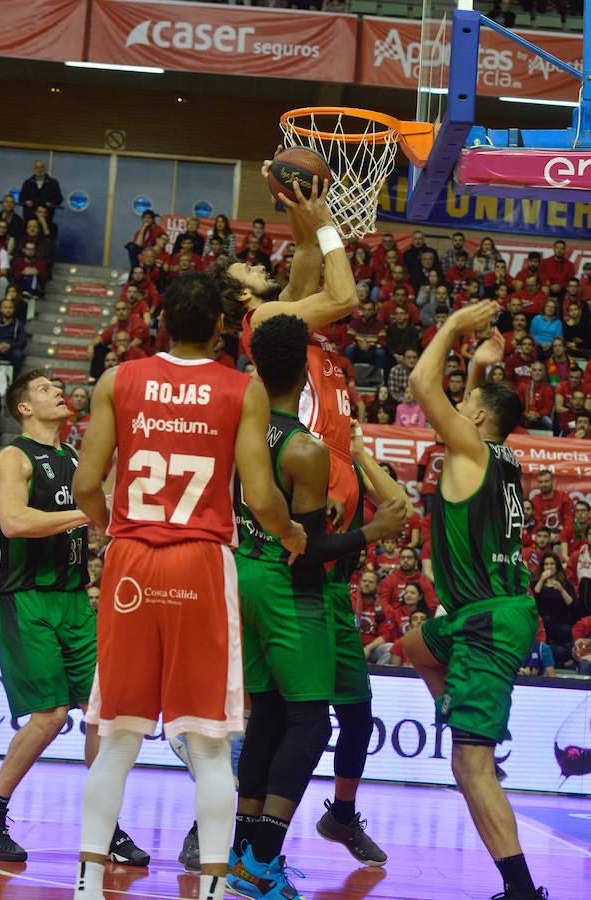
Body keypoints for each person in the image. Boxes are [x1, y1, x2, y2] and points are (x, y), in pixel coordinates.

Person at [71, 272, 306, 900]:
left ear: (163, 321)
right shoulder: (243, 388)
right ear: (224, 328)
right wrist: (290, 534)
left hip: (131, 560)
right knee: (207, 744)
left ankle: (88, 886)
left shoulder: (117, 379)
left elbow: (86, 486)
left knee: (118, 736)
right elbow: (259, 495)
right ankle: (209, 891)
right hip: (200, 561)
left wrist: (114, 530)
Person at [214, 168, 389, 864]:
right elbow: (342, 290)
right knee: (295, 713)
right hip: (296, 510)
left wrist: (303, 208)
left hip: (315, 492)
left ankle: (273, 833)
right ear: (245, 299)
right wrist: (323, 220)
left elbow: (311, 266)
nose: (260, 259)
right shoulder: (267, 322)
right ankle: (250, 843)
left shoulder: (274, 311)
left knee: (301, 710)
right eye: (249, 264)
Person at [228, 316, 406, 899]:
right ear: (307, 375)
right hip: (286, 587)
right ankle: (263, 864)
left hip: (245, 576)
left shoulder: (243, 433)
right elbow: (307, 556)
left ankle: (240, 854)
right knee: (309, 723)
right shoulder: (303, 447)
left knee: (269, 720)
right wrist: (373, 531)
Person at [403, 301, 547, 900]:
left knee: (469, 768)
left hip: (487, 620)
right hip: (479, 614)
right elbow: (476, 409)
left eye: (467, 406)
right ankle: (462, 713)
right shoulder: (503, 457)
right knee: (413, 644)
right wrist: (481, 369)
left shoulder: (471, 450)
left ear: (479, 419)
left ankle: (521, 891)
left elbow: (417, 383)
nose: (457, 409)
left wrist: (453, 328)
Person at [0, 371, 145, 866]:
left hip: (76, 599)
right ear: (24, 409)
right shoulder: (12, 457)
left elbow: (109, 512)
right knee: (51, 716)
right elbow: (14, 521)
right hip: (28, 598)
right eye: (43, 389)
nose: (58, 391)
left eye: (58, 386)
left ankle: (105, 826)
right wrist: (85, 512)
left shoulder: (76, 457)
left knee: (104, 713)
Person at [532, 553, 576, 668]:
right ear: (543, 567)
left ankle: (559, 659)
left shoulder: (565, 584)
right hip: (543, 623)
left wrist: (561, 590)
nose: (549, 567)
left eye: (552, 564)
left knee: (563, 628)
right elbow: (534, 598)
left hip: (561, 623)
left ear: (557, 566)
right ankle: (559, 662)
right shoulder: (536, 583)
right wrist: (542, 579)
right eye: (546, 564)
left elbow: (572, 605)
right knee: (547, 620)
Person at [0, 296, 27, 374]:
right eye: (5, 307)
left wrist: (10, 345)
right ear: (0, 309)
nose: (8, 310)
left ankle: (13, 382)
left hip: (11, 349)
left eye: (10, 307)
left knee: (18, 354)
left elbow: (22, 342)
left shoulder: (19, 324)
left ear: (14, 309)